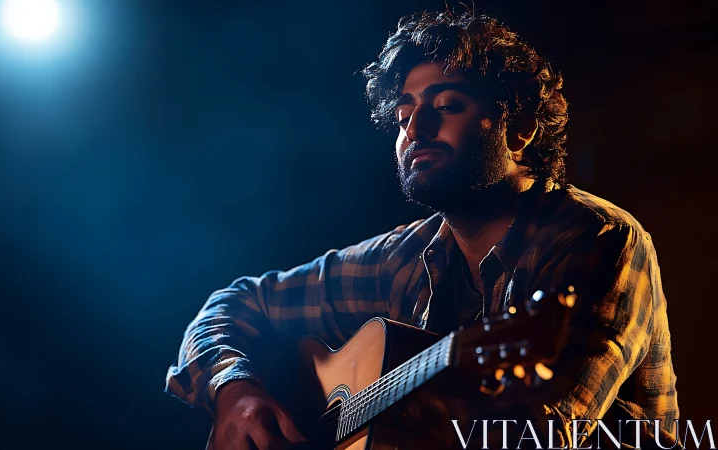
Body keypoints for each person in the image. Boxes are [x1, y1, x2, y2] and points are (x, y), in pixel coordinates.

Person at [165, 10, 679, 449]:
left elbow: (536, 435)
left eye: (447, 106)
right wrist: (235, 390)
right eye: (405, 113)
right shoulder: (401, 258)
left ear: (519, 130)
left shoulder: (597, 240)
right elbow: (234, 304)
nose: (415, 127)